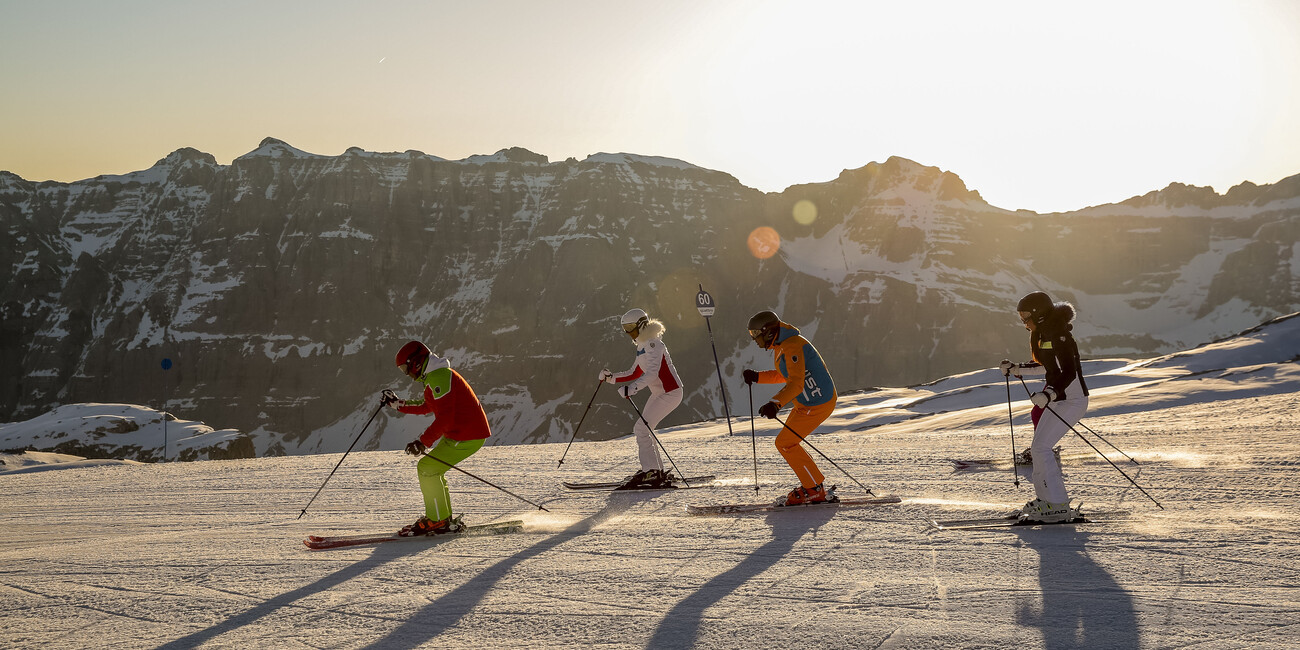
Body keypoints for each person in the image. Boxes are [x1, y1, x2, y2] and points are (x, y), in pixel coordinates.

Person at [383, 340, 492, 536]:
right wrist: (398, 404)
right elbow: (427, 406)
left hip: (467, 435)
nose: (407, 374)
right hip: (460, 433)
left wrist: (422, 442)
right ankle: (442, 518)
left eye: (405, 369)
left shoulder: (439, 377)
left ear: (416, 363)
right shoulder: (434, 376)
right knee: (432, 470)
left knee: (427, 469)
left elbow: (445, 418)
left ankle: (437, 520)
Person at [1000, 291, 1090, 523]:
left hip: (1072, 401)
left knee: (1040, 448)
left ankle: (1056, 505)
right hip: (1059, 400)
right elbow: (1047, 367)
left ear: (1039, 314)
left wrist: (1050, 393)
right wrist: (1016, 368)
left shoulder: (1059, 336)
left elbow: (1069, 372)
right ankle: (1047, 501)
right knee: (1039, 448)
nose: (1023, 321)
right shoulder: (1045, 334)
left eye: (1025, 316)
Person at [743, 310, 839, 506]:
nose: (754, 339)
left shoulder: (792, 345)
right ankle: (814, 486)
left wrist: (775, 403)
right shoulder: (782, 345)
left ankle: (814, 490)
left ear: (768, 332)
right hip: (807, 403)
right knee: (787, 443)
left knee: (786, 443)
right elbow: (785, 374)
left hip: (818, 403)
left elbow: (796, 383)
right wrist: (758, 377)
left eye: (756, 334)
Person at [599, 308, 685, 489]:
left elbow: (652, 373)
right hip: (660, 393)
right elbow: (635, 372)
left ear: (642, 325)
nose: (628, 332)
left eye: (631, 327)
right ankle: (655, 470)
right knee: (645, 429)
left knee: (641, 428)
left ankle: (652, 472)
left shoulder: (654, 344)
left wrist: (632, 389)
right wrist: (611, 378)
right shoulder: (643, 346)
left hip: (670, 393)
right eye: (625, 328)